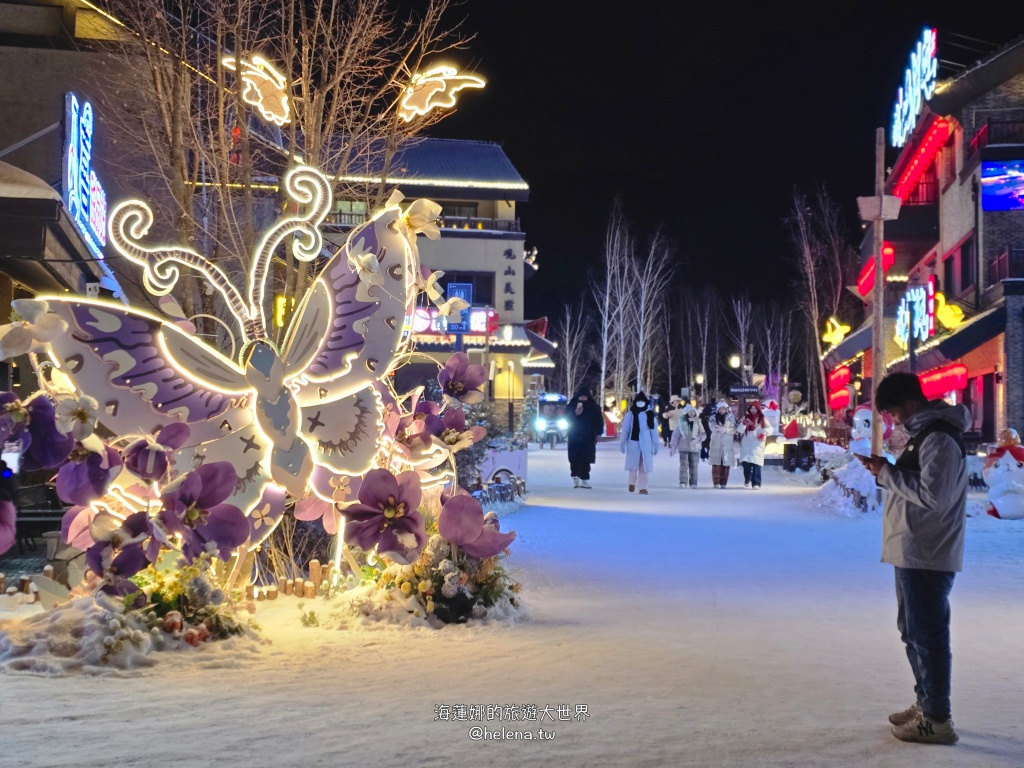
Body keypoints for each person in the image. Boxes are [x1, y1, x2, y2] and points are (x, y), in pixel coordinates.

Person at [857, 372, 969, 746]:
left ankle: (937, 718)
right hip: (913, 548)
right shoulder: (925, 435)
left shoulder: (938, 438)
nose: (893, 421)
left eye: (892, 413)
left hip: (927, 551)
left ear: (910, 403)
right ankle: (927, 704)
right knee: (913, 631)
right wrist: (886, 470)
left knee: (927, 634)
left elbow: (935, 497)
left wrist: (887, 473)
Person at [619, 391, 659, 495]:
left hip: (646, 445)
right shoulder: (630, 414)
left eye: (642, 401)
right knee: (633, 466)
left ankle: (643, 487)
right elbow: (625, 430)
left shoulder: (649, 414)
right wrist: (622, 442)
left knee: (643, 467)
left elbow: (654, 431)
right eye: (639, 401)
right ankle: (632, 482)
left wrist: (656, 444)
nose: (640, 403)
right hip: (634, 443)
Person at [565, 387, 604, 489]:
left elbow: (599, 421)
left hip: (588, 436)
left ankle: (584, 478)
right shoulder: (571, 406)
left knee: (586, 458)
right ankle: (575, 477)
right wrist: (575, 413)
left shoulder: (594, 407)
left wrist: (599, 433)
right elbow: (566, 418)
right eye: (581, 396)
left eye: (584, 396)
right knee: (574, 457)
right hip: (574, 435)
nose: (582, 398)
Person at [669, 403, 705, 488]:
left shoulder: (698, 421)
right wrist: (673, 446)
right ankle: (683, 481)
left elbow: (703, 434)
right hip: (683, 447)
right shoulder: (681, 422)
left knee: (694, 466)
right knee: (683, 466)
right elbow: (675, 435)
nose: (691, 413)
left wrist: (698, 438)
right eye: (690, 412)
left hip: (695, 448)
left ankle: (693, 482)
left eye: (693, 411)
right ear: (686, 412)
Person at [738, 402, 773, 489]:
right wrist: (743, 424)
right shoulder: (746, 417)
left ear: (758, 409)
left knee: (756, 463)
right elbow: (739, 430)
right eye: (751, 408)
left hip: (757, 443)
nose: (753, 410)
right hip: (747, 443)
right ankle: (748, 478)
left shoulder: (762, 419)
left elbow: (770, 428)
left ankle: (756, 483)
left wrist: (763, 433)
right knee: (745, 463)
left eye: (755, 408)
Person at [707, 400, 736, 488]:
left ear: (726, 409)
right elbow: (711, 427)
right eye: (720, 409)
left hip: (727, 443)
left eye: (723, 409)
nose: (721, 411)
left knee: (725, 463)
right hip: (716, 442)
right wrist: (717, 428)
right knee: (716, 463)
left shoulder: (731, 417)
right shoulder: (713, 417)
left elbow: (734, 429)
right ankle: (716, 482)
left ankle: (724, 482)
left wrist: (726, 430)